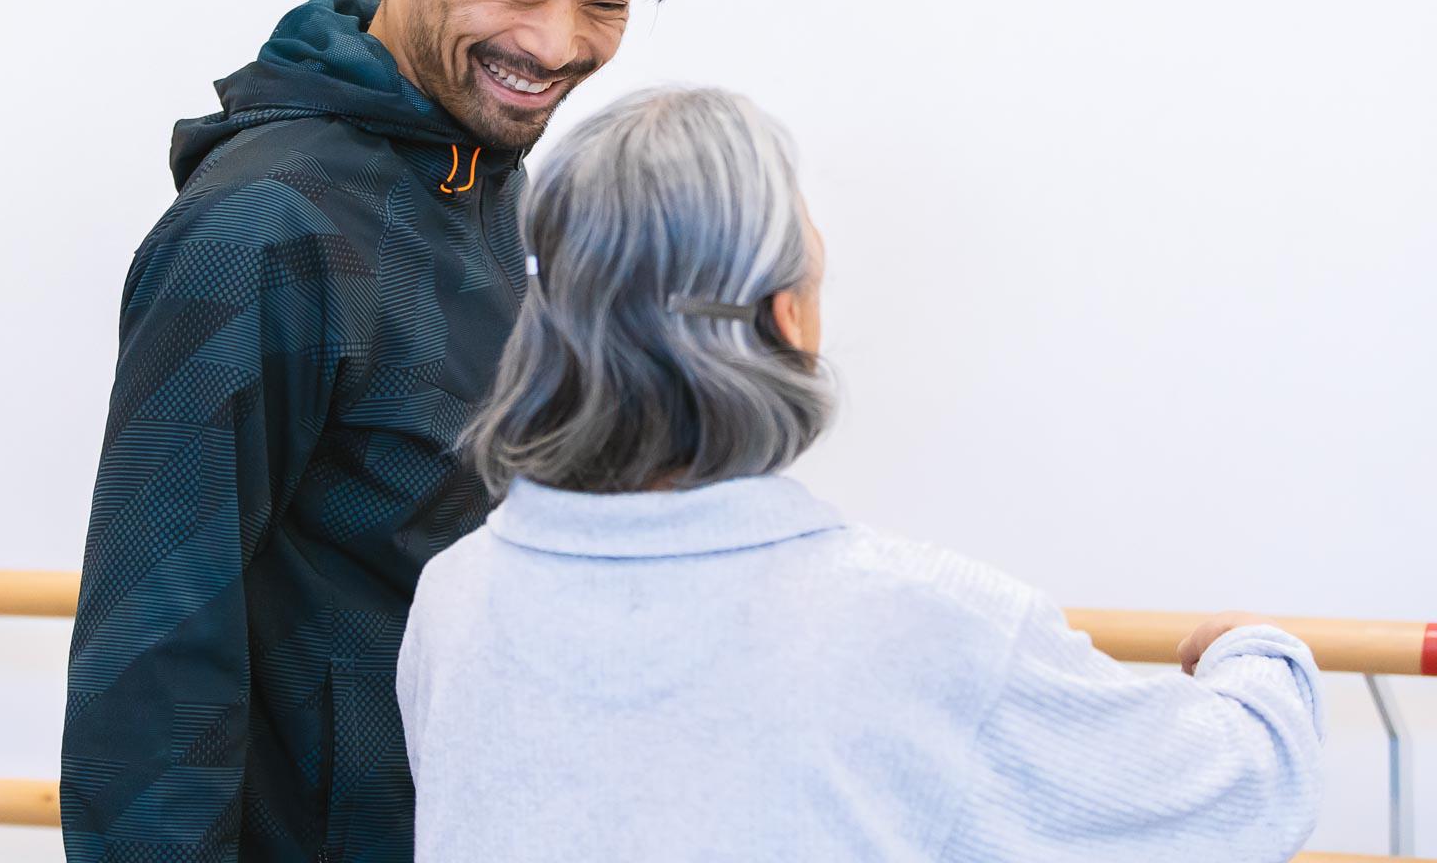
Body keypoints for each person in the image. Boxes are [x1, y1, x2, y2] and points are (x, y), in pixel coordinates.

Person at [60, 0, 697, 862]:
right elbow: (150, 659)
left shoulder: (482, 172)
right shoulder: (259, 230)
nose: (556, 45)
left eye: (603, 1)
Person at [396, 87, 1324, 862]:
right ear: (787, 319)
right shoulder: (915, 624)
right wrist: (1257, 653)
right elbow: (1247, 791)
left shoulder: (456, 598)